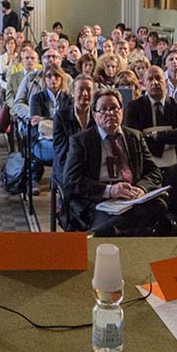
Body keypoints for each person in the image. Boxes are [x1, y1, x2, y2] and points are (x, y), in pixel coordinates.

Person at [64, 89, 168, 236]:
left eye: (114, 108)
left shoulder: (135, 137)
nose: (110, 113)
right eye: (103, 109)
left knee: (160, 206)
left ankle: (113, 230)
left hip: (132, 198)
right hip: (100, 201)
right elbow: (71, 180)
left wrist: (141, 188)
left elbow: (154, 172)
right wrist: (109, 190)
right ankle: (112, 230)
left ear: (122, 112)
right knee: (129, 220)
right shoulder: (81, 141)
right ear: (94, 115)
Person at [125, 66, 177, 163]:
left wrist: (153, 135)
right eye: (150, 79)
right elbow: (132, 138)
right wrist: (169, 138)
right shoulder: (134, 107)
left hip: (176, 162)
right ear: (144, 84)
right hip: (144, 162)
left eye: (158, 78)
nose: (155, 82)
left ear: (166, 81)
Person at [28, 66, 71, 194]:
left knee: (68, 147)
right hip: (41, 140)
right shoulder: (37, 98)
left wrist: (45, 119)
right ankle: (40, 179)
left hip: (62, 138)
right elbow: (36, 123)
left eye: (57, 76)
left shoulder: (68, 99)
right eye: (49, 76)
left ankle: (59, 179)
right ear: (44, 79)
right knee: (62, 149)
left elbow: (69, 122)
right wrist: (58, 122)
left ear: (62, 79)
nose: (53, 79)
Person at [53, 76, 95, 185]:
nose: (85, 93)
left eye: (89, 90)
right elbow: (61, 149)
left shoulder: (97, 115)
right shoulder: (61, 116)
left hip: (92, 164)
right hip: (68, 164)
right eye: (81, 89)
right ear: (73, 92)